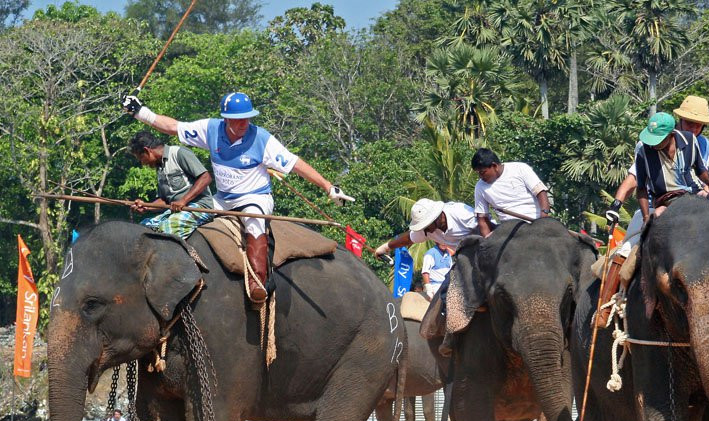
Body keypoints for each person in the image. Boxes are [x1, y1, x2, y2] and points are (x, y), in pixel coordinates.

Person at [121, 91, 354, 306]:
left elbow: (295, 164)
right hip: (222, 200)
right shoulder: (211, 129)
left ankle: (257, 281)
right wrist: (140, 111)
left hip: (255, 198)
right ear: (226, 119)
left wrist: (328, 186)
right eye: (238, 119)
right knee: (181, 217)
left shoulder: (262, 138)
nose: (244, 124)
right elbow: (172, 127)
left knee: (254, 223)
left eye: (248, 118)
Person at [594, 110, 709, 326]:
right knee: (625, 250)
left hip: (692, 200)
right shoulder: (644, 150)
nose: (653, 144)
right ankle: (605, 306)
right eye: (690, 123)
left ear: (671, 134)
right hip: (659, 203)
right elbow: (640, 187)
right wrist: (646, 216)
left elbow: (702, 170)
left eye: (698, 124)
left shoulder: (694, 142)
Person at [375, 198, 481, 356]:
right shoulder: (428, 230)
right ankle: (451, 335)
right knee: (447, 294)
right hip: (463, 261)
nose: (424, 231)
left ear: (438, 217)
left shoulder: (460, 213)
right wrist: (386, 247)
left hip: (484, 250)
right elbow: (407, 238)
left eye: (426, 226)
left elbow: (486, 227)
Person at [128, 131, 214, 239]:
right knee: (143, 227)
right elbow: (165, 200)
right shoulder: (160, 168)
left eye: (141, 158)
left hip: (199, 207)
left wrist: (183, 201)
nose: (143, 163)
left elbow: (206, 177)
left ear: (147, 150)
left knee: (168, 229)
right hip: (176, 211)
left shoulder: (179, 153)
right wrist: (147, 206)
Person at [471, 149, 551, 237]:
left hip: (534, 222)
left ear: (494, 166)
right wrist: (486, 241)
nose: (480, 177)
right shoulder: (480, 187)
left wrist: (543, 219)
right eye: (478, 173)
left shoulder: (520, 169)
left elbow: (540, 192)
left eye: (482, 172)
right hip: (508, 231)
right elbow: (482, 218)